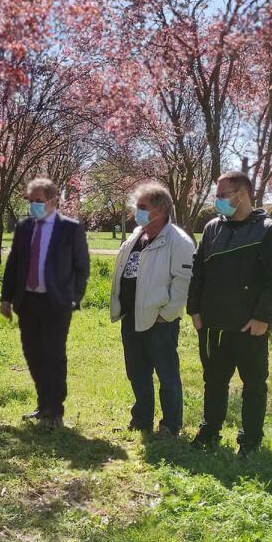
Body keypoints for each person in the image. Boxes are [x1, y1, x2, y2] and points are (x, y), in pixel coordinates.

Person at [188, 171, 272, 456]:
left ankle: (250, 441)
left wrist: (263, 317)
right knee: (214, 382)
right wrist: (194, 309)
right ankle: (209, 431)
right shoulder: (212, 228)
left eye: (223, 196)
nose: (217, 201)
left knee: (254, 385)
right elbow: (198, 272)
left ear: (242, 194)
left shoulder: (269, 230)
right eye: (217, 196)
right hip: (213, 325)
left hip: (250, 327)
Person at [0, 178, 90, 428]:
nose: (33, 206)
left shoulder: (70, 229)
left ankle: (56, 411)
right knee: (33, 354)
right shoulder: (24, 227)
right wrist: (6, 298)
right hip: (27, 302)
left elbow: (82, 267)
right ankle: (42, 406)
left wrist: (74, 298)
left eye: (38, 201)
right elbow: (13, 264)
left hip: (56, 303)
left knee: (54, 356)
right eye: (30, 201)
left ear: (52, 201)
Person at [109, 182, 195, 437]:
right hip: (132, 316)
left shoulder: (178, 241)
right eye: (138, 207)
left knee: (167, 375)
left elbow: (183, 283)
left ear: (161, 209)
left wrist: (166, 315)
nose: (138, 212)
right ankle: (141, 419)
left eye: (143, 207)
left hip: (160, 321)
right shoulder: (137, 235)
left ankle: (170, 425)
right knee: (137, 372)